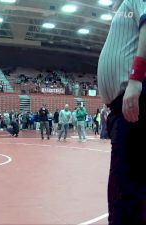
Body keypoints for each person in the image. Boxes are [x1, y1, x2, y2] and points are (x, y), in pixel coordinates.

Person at [97, 0, 146, 224]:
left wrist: (136, 78)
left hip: (135, 97)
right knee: (126, 185)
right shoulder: (125, 6)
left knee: (125, 188)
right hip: (121, 106)